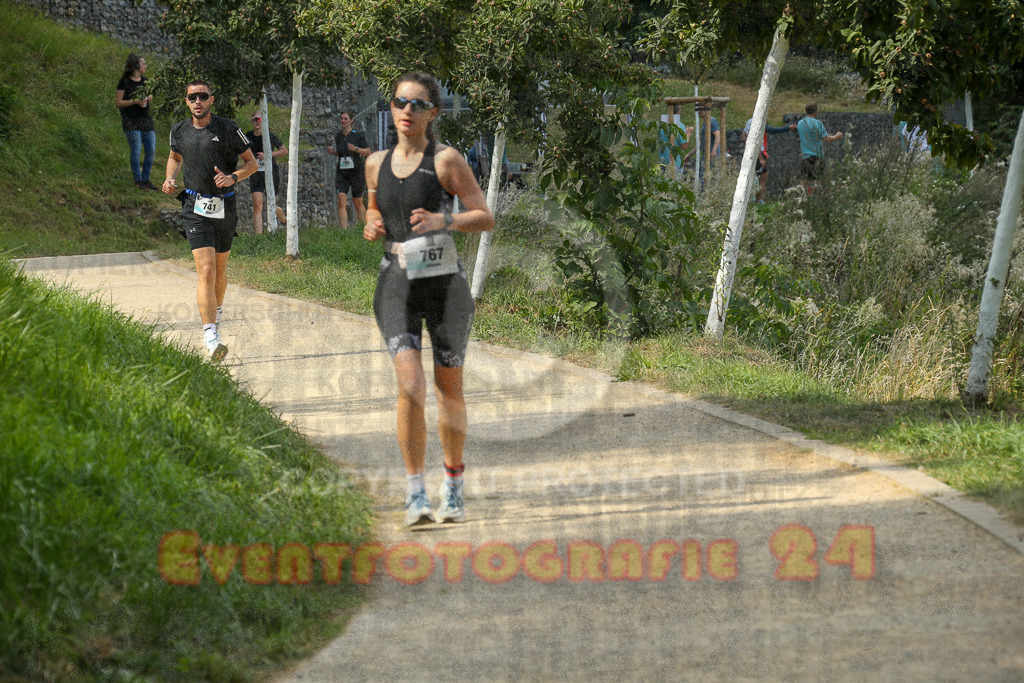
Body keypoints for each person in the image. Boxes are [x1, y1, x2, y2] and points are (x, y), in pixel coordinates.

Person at [363, 72, 494, 526]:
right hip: (396, 284)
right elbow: (374, 210)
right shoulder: (375, 163)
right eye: (400, 102)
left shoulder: (446, 161)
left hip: (445, 287)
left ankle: (453, 486)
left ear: (432, 113)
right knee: (410, 387)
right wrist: (370, 224)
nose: (406, 111)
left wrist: (446, 222)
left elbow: (484, 216)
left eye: (417, 104)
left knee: (448, 388)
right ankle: (416, 492)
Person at [162, 80, 258, 361]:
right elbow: (174, 157)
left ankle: (215, 314)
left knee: (219, 269)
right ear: (187, 102)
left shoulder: (228, 128)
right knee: (205, 271)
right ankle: (210, 336)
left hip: (225, 207)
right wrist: (170, 177)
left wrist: (233, 178)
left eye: (203, 96)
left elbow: (252, 163)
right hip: (194, 206)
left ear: (211, 100)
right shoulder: (178, 130)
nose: (197, 101)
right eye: (193, 97)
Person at [115, 53, 157, 191]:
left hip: (145, 119)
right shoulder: (124, 82)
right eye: (143, 63)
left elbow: (150, 95)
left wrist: (148, 98)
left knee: (150, 150)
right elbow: (119, 102)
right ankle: (138, 180)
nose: (145, 66)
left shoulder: (145, 80)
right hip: (130, 121)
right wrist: (135, 101)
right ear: (136, 66)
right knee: (136, 151)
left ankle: (146, 179)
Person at [245, 111, 288, 234]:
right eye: (255, 119)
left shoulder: (270, 136)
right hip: (256, 173)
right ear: (252, 121)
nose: (257, 122)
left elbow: (284, 151)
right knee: (258, 205)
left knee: (271, 205)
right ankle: (259, 237)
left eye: (260, 119)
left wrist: (268, 155)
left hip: (271, 173)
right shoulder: (248, 136)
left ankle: (284, 221)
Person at [328, 110, 371, 230]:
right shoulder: (338, 136)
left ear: (351, 120)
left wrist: (356, 149)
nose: (343, 121)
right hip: (342, 172)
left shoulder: (358, 135)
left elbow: (368, 151)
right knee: (341, 200)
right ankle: (343, 230)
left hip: (356, 171)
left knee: (357, 201)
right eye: (341, 118)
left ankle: (362, 227)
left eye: (346, 118)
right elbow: (341, 153)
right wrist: (333, 152)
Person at [742, 117, 797, 203]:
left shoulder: (749, 121)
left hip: (750, 153)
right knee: (762, 177)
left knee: (757, 177)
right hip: (759, 154)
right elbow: (771, 130)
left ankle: (755, 199)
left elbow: (744, 136)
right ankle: (758, 199)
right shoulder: (759, 122)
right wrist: (789, 128)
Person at [797, 102, 844, 193]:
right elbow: (826, 139)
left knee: (804, 184)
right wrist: (837, 136)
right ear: (816, 111)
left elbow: (809, 136)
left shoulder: (800, 123)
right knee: (817, 183)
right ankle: (816, 201)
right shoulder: (818, 123)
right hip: (817, 157)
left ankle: (802, 201)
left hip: (805, 157)